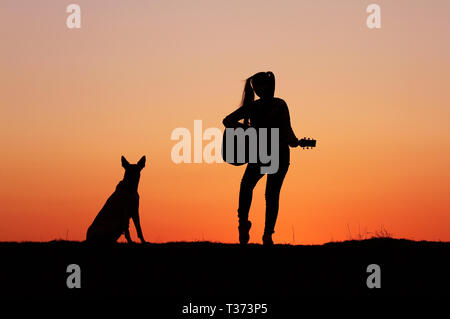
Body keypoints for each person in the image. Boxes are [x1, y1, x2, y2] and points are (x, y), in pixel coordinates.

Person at [223, 71, 300, 246]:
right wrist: (247, 130)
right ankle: (255, 229)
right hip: (272, 154)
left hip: (270, 154)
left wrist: (294, 141)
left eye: (260, 86)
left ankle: (255, 229)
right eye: (256, 87)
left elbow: (288, 131)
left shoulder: (268, 106)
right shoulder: (271, 105)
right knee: (265, 193)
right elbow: (227, 120)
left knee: (258, 190)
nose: (259, 90)